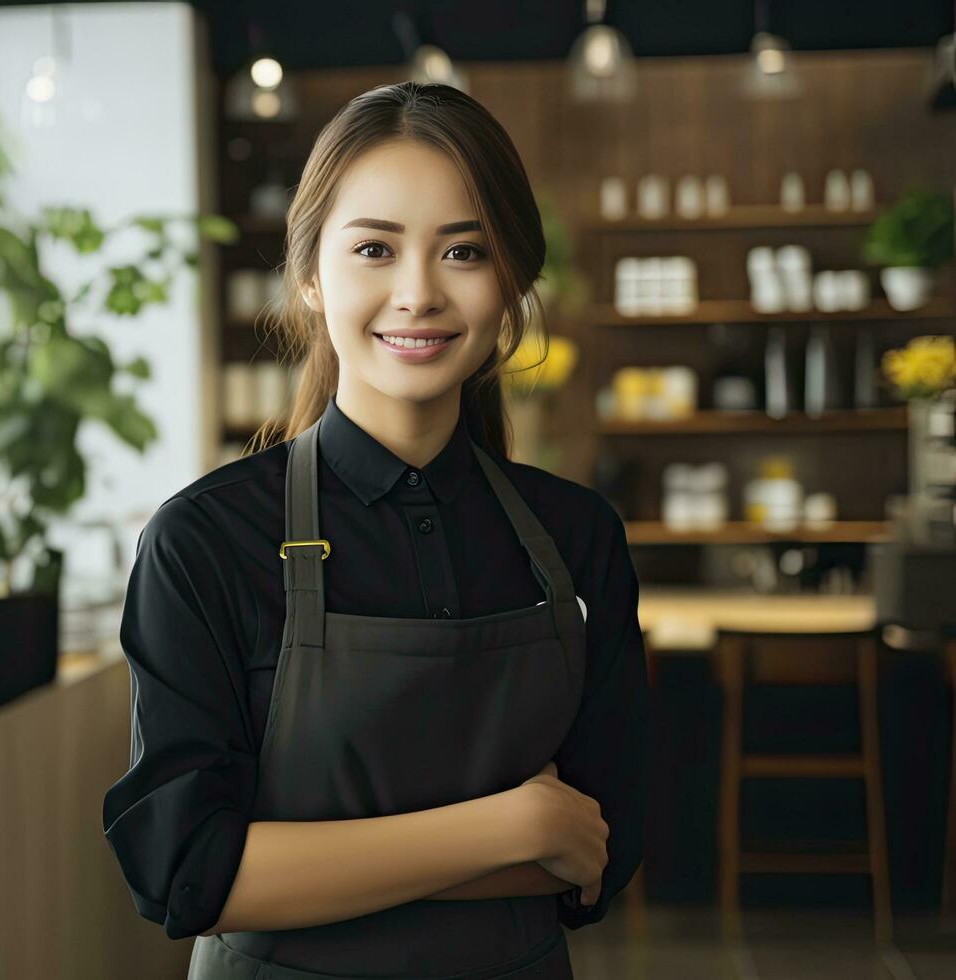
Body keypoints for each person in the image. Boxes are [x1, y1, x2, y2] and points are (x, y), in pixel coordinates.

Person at [101, 81, 648, 980]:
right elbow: (186, 872)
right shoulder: (205, 542)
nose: (418, 293)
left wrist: (294, 867)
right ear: (312, 277)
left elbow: (597, 857)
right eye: (374, 249)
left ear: (511, 279)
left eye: (463, 250)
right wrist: (508, 827)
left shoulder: (576, 538)